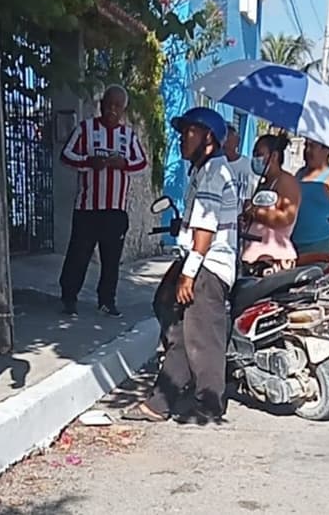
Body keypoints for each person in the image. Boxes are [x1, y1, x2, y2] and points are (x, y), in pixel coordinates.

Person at [125, 106, 238, 424]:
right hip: (199, 261)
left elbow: (205, 232)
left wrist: (188, 275)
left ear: (209, 139)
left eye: (190, 132)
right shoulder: (203, 171)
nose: (182, 139)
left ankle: (208, 404)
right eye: (183, 132)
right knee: (180, 330)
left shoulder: (214, 173)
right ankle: (162, 401)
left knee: (202, 338)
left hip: (207, 267)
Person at [57, 85, 148, 318]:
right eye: (109, 105)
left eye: (118, 106)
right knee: (78, 255)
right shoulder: (85, 129)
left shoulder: (128, 136)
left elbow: (142, 164)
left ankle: (107, 301)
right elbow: (66, 156)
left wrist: (123, 164)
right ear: (101, 105)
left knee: (111, 260)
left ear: (124, 110)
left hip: (115, 211)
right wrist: (88, 162)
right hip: (87, 208)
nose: (112, 110)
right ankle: (69, 298)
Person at [241, 134, 302, 274]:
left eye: (259, 154)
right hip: (252, 257)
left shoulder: (286, 181)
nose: (255, 158)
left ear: (274, 156)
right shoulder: (263, 184)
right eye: (254, 154)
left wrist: (254, 212)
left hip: (273, 258)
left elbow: (286, 217)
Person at [223, 122, 256, 207]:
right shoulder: (215, 164)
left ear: (237, 142)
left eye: (229, 141)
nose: (226, 145)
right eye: (224, 141)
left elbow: (248, 197)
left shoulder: (248, 166)